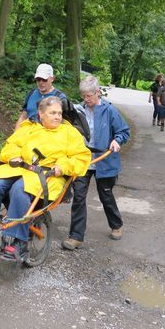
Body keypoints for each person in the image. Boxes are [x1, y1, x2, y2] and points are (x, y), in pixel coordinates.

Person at [0, 96, 90, 261]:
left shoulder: (69, 132)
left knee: (20, 190)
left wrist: (62, 166)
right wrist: (14, 155)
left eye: (59, 113)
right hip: (21, 168)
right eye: (53, 113)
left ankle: (19, 243)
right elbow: (11, 145)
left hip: (48, 175)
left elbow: (81, 157)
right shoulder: (29, 127)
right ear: (41, 114)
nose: (57, 117)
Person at [62, 75, 130, 250]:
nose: (86, 100)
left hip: (104, 160)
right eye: (83, 96)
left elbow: (123, 131)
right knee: (78, 196)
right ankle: (76, 236)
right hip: (84, 160)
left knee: (105, 195)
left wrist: (117, 141)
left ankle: (116, 225)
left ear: (97, 92)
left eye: (89, 96)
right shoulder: (79, 110)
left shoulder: (110, 111)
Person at [15, 63, 67, 129]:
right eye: (38, 79)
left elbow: (64, 123)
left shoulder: (60, 97)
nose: (41, 82)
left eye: (44, 79)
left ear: (52, 78)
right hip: (28, 135)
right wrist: (15, 136)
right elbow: (23, 117)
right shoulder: (31, 93)